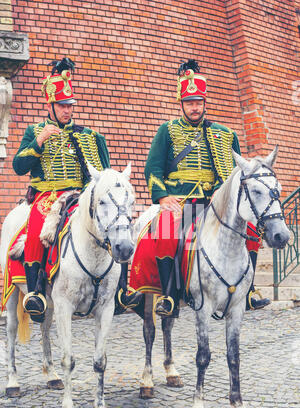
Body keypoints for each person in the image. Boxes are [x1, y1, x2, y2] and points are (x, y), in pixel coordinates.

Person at [129, 59, 270, 317]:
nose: (195, 107)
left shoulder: (225, 134)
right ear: (181, 104)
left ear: (205, 103)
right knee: (166, 229)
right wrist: (162, 197)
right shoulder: (167, 131)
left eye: (199, 102)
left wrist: (221, 190)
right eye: (190, 103)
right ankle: (169, 296)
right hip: (181, 201)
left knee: (251, 227)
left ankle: (248, 292)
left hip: (216, 202)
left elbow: (236, 173)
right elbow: (153, 169)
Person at [12, 57, 113, 322]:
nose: (67, 110)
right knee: (35, 231)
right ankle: (36, 294)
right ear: (51, 105)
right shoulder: (35, 131)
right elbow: (18, 166)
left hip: (78, 195)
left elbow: (104, 171)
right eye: (62, 105)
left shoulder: (89, 136)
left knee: (109, 225)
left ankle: (119, 285)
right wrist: (39, 142)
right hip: (47, 196)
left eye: (70, 105)